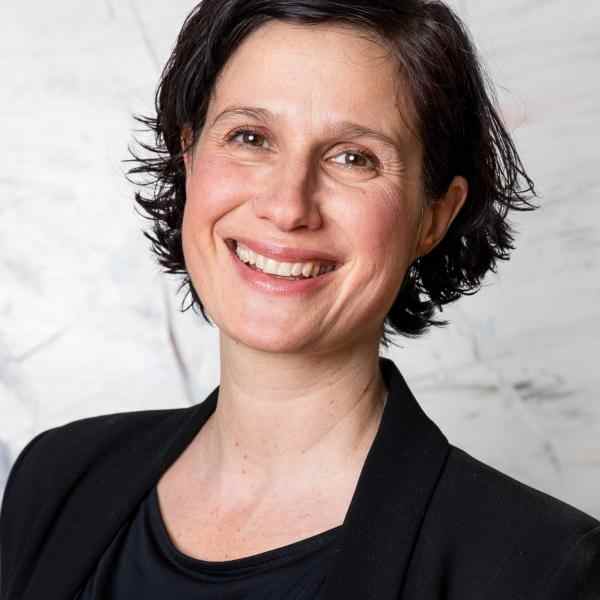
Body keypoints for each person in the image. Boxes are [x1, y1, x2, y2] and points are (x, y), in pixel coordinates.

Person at [1, 1, 599, 598]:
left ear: (433, 217)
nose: (288, 206)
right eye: (251, 137)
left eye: (353, 157)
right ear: (190, 157)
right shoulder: (56, 480)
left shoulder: (543, 569)